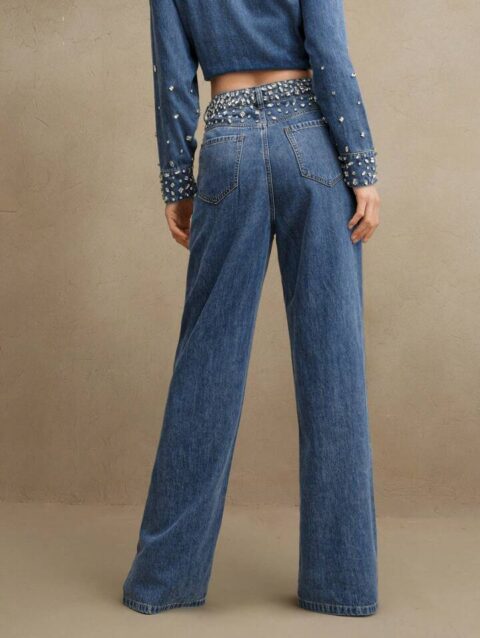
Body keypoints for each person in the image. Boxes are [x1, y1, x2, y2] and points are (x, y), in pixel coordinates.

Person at [122, 0, 380, 617]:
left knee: (204, 365)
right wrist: (361, 165)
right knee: (333, 367)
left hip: (227, 142)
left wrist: (177, 180)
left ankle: (162, 582)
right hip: (309, 139)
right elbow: (329, 54)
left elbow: (172, 74)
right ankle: (342, 585)